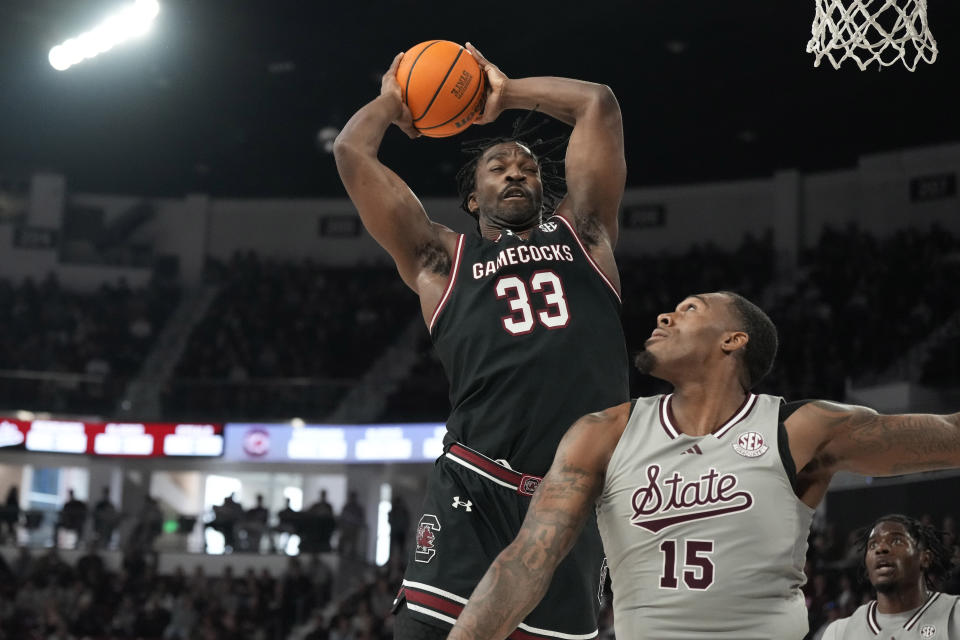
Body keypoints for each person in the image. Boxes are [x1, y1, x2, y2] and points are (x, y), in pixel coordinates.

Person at [448, 291, 960, 640]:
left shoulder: (798, 429)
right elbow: (524, 564)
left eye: (687, 310)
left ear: (732, 340)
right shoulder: (603, 433)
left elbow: (950, 437)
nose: (664, 318)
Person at [334, 41, 629, 639]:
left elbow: (597, 104)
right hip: (476, 482)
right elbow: (350, 151)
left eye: (527, 167)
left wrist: (507, 93)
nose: (516, 170)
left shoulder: (586, 236)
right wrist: (392, 103)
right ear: (473, 199)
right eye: (497, 167)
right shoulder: (442, 259)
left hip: (572, 500)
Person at [821, 514, 960, 639]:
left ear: (925, 558)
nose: (881, 548)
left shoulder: (955, 615)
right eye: (873, 544)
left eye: (897, 541)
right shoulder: (838, 632)